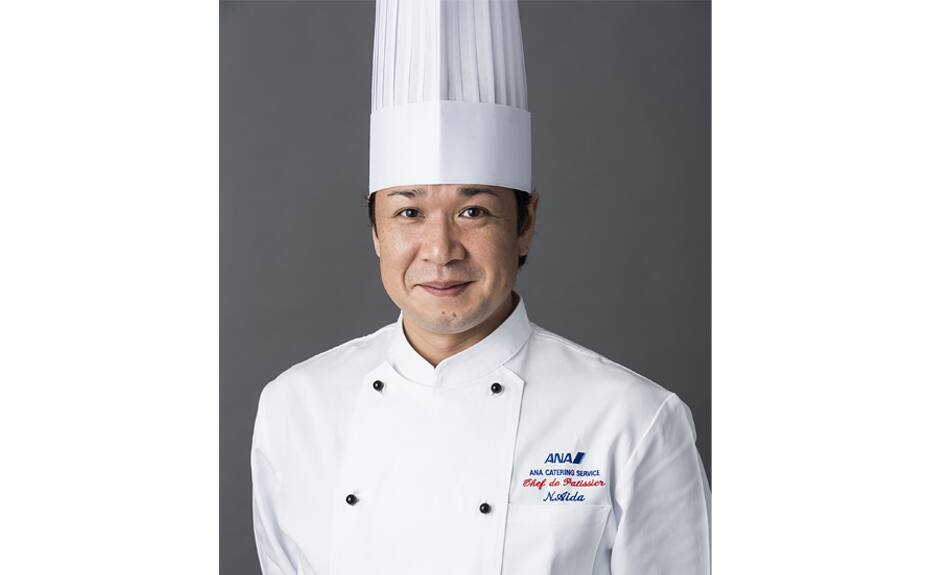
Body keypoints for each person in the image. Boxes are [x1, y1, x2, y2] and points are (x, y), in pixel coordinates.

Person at [250, 1, 710, 574]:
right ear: (375, 230)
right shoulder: (296, 407)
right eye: (409, 212)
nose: (440, 250)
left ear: (526, 223)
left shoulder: (632, 419)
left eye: (473, 211)